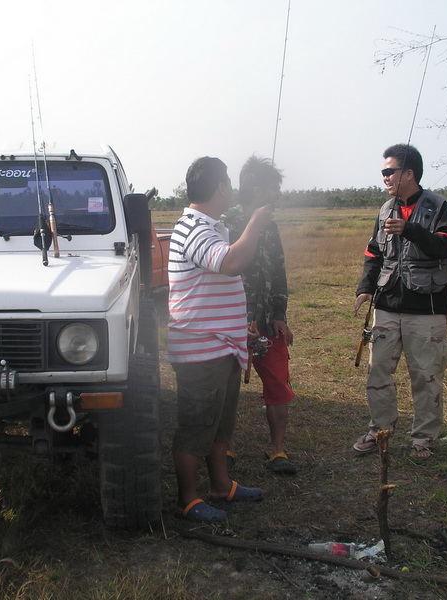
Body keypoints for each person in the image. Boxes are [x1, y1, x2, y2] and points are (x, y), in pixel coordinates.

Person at [168, 156, 274, 522]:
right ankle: (189, 498)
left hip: (222, 346)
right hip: (201, 351)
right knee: (196, 426)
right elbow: (229, 263)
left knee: (219, 425)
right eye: (227, 181)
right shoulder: (194, 228)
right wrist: (256, 225)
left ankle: (220, 485)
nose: (231, 187)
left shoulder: (209, 227)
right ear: (220, 187)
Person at [353, 144, 447, 459]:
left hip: (426, 308)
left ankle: (424, 440)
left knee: (426, 375)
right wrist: (365, 288)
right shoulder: (385, 209)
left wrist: (411, 230)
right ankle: (379, 431)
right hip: (386, 305)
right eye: (383, 172)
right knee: (377, 370)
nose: (384, 177)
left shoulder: (439, 205)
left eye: (390, 171)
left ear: (409, 173)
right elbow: (374, 252)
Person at [222, 155, 297, 474]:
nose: (278, 195)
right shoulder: (225, 222)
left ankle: (278, 451)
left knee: (278, 383)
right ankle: (224, 447)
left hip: (267, 321)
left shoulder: (272, 226)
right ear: (256, 189)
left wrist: (280, 312)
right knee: (225, 384)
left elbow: (278, 272)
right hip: (232, 320)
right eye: (273, 189)